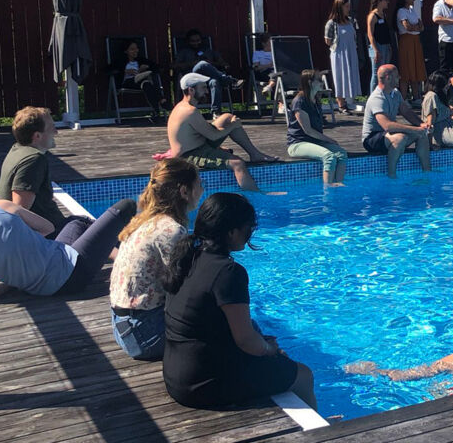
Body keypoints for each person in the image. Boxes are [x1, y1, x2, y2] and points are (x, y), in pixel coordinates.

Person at [163, 193, 316, 410]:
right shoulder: (228, 272)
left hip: (176, 374)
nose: (249, 234)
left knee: (265, 343)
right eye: (249, 229)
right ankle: (320, 433)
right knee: (303, 375)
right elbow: (246, 341)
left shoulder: (188, 256)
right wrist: (269, 350)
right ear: (231, 232)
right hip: (202, 384)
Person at [0, 192, 135, 304]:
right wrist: (23, 247)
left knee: (74, 222)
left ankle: (118, 256)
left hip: (43, 288)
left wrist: (11, 282)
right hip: (75, 271)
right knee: (125, 206)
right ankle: (130, 256)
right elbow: (47, 227)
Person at [109, 159, 203, 360]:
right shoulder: (171, 230)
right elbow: (189, 286)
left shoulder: (145, 220)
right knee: (232, 327)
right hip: (145, 334)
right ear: (184, 192)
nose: (202, 190)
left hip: (124, 326)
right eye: (199, 184)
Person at [167, 73, 276, 193]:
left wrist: (229, 125)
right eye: (203, 88)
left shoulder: (184, 107)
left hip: (199, 144)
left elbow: (207, 132)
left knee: (227, 117)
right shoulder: (189, 111)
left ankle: (255, 154)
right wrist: (234, 125)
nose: (207, 92)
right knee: (238, 163)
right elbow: (214, 136)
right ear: (191, 90)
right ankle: (259, 195)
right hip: (189, 156)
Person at [0, 106, 79, 236]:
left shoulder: (17, 150)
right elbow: (19, 209)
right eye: (52, 128)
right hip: (53, 237)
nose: (56, 132)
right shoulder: (34, 160)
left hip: (55, 229)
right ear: (37, 135)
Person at [362, 64, 432, 178]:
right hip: (372, 139)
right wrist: (416, 129)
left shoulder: (395, 93)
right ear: (388, 77)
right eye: (396, 75)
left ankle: (427, 172)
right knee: (400, 138)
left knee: (421, 135)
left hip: (388, 135)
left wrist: (421, 124)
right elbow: (387, 126)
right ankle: (392, 176)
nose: (399, 78)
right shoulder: (377, 98)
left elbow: (406, 112)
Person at [286, 70, 347, 186]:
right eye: (319, 80)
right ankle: (328, 189)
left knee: (341, 153)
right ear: (310, 82)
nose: (322, 82)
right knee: (329, 156)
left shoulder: (315, 100)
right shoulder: (299, 101)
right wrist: (328, 139)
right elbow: (307, 130)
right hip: (297, 144)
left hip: (314, 142)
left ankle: (339, 185)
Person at [171, 29, 244, 112]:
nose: (196, 43)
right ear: (188, 42)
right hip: (193, 77)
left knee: (215, 82)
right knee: (201, 64)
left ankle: (216, 112)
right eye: (193, 41)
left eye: (198, 40)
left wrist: (211, 63)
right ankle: (231, 81)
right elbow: (173, 65)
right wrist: (191, 63)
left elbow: (223, 63)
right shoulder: (184, 52)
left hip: (207, 78)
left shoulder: (208, 50)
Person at [109, 41, 168, 119]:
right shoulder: (120, 61)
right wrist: (125, 71)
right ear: (126, 51)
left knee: (146, 84)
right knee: (149, 74)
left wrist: (142, 69)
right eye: (132, 49)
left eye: (136, 48)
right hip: (127, 83)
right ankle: (162, 99)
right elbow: (108, 70)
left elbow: (158, 68)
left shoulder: (141, 60)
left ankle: (156, 112)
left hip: (140, 83)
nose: (135, 51)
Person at [325, 0, 363, 114]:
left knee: (351, 75)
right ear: (339, 8)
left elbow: (354, 37)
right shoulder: (332, 23)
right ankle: (341, 103)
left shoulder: (351, 21)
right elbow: (328, 40)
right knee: (340, 77)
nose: (348, 9)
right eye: (346, 7)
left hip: (351, 52)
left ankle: (349, 99)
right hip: (339, 54)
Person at [395, 0, 427, 100]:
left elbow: (421, 26)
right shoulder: (401, 11)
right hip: (406, 41)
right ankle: (403, 98)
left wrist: (415, 28)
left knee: (415, 68)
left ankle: (416, 96)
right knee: (406, 69)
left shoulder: (412, 10)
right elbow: (407, 27)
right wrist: (415, 27)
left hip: (415, 41)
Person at [367, 0, 394, 93]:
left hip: (386, 45)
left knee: (386, 72)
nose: (388, 2)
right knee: (376, 73)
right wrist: (375, 50)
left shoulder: (383, 14)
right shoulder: (373, 16)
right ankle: (373, 96)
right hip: (377, 46)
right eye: (385, 0)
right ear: (378, 1)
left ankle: (383, 93)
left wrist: (389, 46)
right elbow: (370, 34)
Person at [251, 33, 276, 99]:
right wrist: (269, 65)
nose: (272, 43)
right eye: (270, 41)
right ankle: (279, 102)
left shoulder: (276, 52)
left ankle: (269, 87)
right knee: (277, 75)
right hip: (264, 73)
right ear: (264, 43)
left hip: (276, 71)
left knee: (280, 74)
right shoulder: (257, 53)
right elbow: (256, 68)